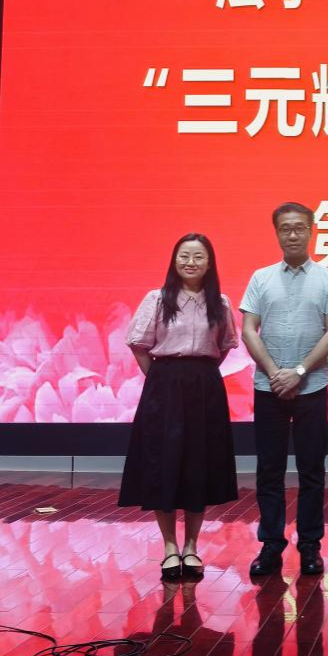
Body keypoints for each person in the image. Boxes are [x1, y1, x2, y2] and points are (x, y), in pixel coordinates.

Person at [119, 233, 240, 582]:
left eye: (198, 257)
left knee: (197, 465)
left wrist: (199, 373)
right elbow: (139, 344)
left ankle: (191, 546)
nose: (191, 262)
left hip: (205, 386)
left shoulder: (220, 302)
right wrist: (161, 378)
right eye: (184, 255)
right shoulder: (157, 299)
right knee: (164, 464)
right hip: (164, 385)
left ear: (209, 263)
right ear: (174, 260)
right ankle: (170, 546)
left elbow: (225, 345)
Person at [241, 202, 328, 577]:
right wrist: (275, 373)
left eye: (300, 227)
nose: (293, 234)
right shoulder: (261, 278)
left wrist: (298, 372)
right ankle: (271, 544)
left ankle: (310, 545)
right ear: (277, 233)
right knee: (269, 469)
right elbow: (248, 329)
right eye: (285, 228)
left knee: (311, 470)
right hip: (268, 388)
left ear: (311, 231)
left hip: (312, 387)